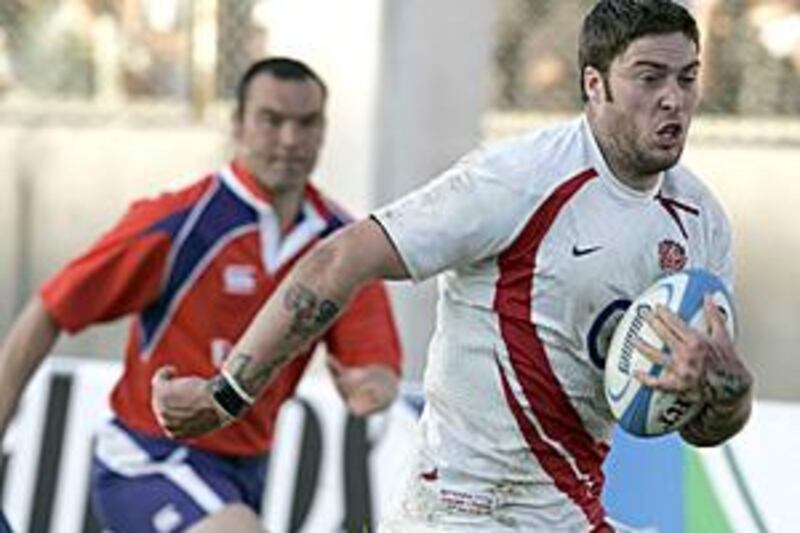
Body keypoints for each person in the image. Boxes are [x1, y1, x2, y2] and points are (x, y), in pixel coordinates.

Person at [152, 1, 754, 531]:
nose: (673, 98)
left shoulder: (699, 221)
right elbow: (342, 256)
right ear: (594, 85)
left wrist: (725, 396)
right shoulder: (520, 179)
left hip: (570, 513)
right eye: (649, 78)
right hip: (463, 512)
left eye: (687, 77)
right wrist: (225, 394)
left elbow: (699, 424)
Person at [0, 57, 403, 532]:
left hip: (248, 472)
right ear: (237, 124)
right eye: (272, 120)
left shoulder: (340, 244)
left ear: (323, 130)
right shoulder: (179, 220)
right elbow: (51, 308)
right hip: (150, 459)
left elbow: (374, 367)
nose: (290, 140)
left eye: (306, 123)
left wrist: (371, 391)